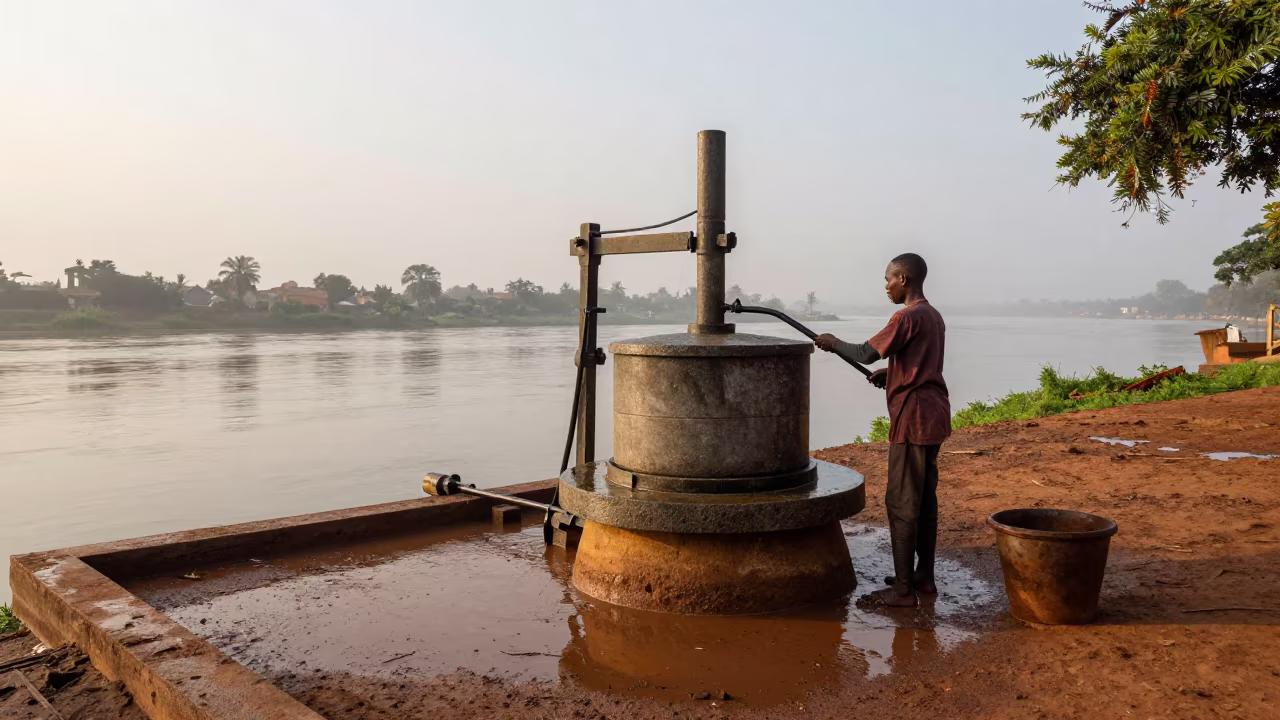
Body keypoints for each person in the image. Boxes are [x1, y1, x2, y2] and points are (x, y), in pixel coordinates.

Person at [814, 253, 950, 607]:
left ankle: (903, 590)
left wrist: (833, 343)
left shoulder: (906, 316)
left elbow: (864, 352)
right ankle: (924, 577)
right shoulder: (933, 316)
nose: (886, 286)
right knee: (924, 501)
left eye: (889, 279)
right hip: (934, 414)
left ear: (904, 279)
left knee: (902, 503)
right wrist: (894, 375)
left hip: (913, 418)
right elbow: (922, 363)